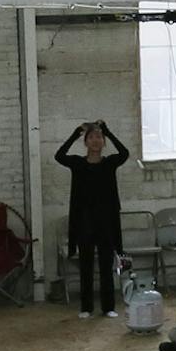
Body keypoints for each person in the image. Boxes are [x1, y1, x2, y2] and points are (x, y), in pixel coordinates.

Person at [54, 119, 131, 319]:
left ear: (103, 142)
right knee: (86, 265)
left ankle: (108, 307)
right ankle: (86, 307)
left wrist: (108, 130)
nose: (96, 141)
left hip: (106, 221)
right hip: (84, 221)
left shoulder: (109, 163)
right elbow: (59, 156)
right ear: (86, 142)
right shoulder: (78, 164)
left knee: (106, 265)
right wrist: (76, 133)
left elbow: (125, 153)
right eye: (91, 137)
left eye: (99, 137)